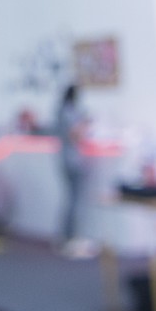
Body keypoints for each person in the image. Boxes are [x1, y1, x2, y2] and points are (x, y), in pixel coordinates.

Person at [55, 84, 91, 256]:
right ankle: (71, 239)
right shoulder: (69, 112)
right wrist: (85, 123)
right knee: (74, 201)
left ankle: (66, 237)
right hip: (72, 161)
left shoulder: (61, 110)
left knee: (70, 199)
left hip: (65, 159)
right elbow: (75, 134)